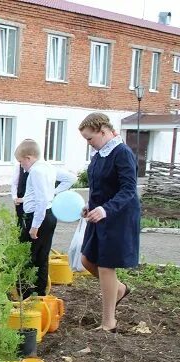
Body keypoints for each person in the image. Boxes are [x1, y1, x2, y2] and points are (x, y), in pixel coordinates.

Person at [78, 112, 140, 333]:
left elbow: (128, 190)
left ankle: (108, 322)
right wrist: (90, 205)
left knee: (106, 266)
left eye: (89, 139)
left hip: (117, 218)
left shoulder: (122, 153)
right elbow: (99, 186)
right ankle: (120, 289)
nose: (89, 144)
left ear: (103, 132)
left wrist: (106, 209)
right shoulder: (99, 154)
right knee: (87, 260)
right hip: (99, 216)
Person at [13, 139, 58, 299]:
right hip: (49, 215)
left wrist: (34, 226)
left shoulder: (36, 171)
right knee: (42, 256)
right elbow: (69, 179)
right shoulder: (48, 167)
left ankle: (26, 294)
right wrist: (54, 193)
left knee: (27, 256)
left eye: (21, 162)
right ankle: (39, 293)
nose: (22, 166)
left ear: (28, 158)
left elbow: (42, 200)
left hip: (39, 218)